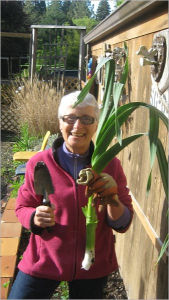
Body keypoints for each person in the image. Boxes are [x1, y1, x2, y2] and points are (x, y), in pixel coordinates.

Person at [8, 91, 133, 299]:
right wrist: (34, 217)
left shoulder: (110, 165)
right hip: (45, 259)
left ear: (95, 125)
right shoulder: (40, 164)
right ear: (60, 123)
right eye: (70, 118)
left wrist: (112, 199)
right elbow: (22, 207)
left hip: (92, 263)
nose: (78, 126)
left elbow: (123, 223)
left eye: (86, 119)